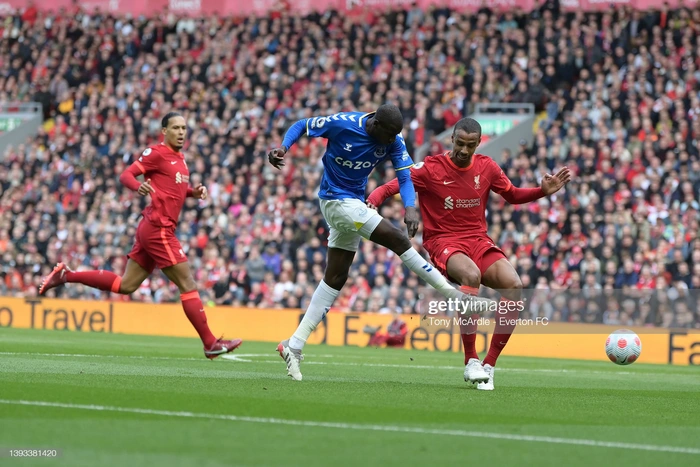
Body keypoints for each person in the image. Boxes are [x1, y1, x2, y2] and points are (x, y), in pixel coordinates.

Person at [268, 105, 493, 381]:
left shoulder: (394, 140)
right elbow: (301, 124)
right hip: (335, 201)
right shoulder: (343, 124)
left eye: (394, 136)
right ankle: (456, 297)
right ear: (374, 124)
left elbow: (405, 175)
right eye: (387, 135)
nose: (390, 142)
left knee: (336, 277)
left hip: (352, 203)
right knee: (397, 239)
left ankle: (293, 344)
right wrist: (283, 147)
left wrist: (411, 206)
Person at [367, 117, 571, 390]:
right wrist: (372, 202)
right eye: (460, 143)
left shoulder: (487, 167)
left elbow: (511, 194)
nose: (464, 150)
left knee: (514, 285)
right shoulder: (431, 168)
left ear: (478, 144)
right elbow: (391, 186)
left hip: (478, 241)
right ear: (452, 140)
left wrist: (541, 192)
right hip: (444, 241)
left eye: (470, 145)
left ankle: (489, 365)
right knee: (471, 276)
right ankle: (470, 360)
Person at [39, 112, 242, 359]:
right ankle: (210, 343)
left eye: (184, 128)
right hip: (159, 228)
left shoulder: (181, 158)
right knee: (188, 284)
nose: (181, 132)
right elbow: (126, 175)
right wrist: (139, 186)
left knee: (126, 285)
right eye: (175, 128)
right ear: (164, 130)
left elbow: (172, 189)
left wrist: (192, 193)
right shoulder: (156, 152)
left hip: (154, 228)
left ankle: (67, 276)